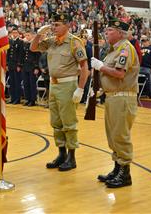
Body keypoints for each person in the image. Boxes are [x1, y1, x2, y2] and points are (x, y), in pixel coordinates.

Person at [31, 12, 89, 172]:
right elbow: (33, 47)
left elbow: (85, 68)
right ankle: (61, 154)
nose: (54, 27)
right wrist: (39, 34)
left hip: (68, 86)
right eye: (53, 24)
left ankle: (72, 157)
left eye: (57, 25)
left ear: (67, 25)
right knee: (56, 123)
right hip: (53, 86)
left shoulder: (74, 43)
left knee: (69, 123)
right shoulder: (52, 42)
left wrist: (80, 89)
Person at [90, 17, 139, 188]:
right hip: (112, 96)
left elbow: (119, 74)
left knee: (120, 135)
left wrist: (100, 67)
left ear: (119, 33)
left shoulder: (125, 49)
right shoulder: (113, 50)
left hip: (123, 97)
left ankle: (125, 174)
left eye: (110, 30)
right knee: (113, 136)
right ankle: (117, 169)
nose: (106, 32)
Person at [6, 25, 24, 105]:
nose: (14, 34)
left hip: (16, 65)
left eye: (16, 33)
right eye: (13, 33)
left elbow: (21, 55)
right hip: (11, 64)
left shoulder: (20, 42)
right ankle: (12, 98)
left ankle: (17, 99)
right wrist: (7, 64)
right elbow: (8, 54)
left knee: (17, 83)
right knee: (11, 82)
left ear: (18, 34)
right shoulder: (11, 42)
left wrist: (19, 65)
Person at [22, 29, 40, 107]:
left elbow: (37, 56)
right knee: (26, 83)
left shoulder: (35, 44)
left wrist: (36, 67)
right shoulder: (25, 44)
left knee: (32, 84)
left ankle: (33, 100)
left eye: (28, 35)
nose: (27, 37)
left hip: (32, 67)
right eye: (26, 35)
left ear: (32, 35)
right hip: (25, 66)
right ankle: (28, 99)